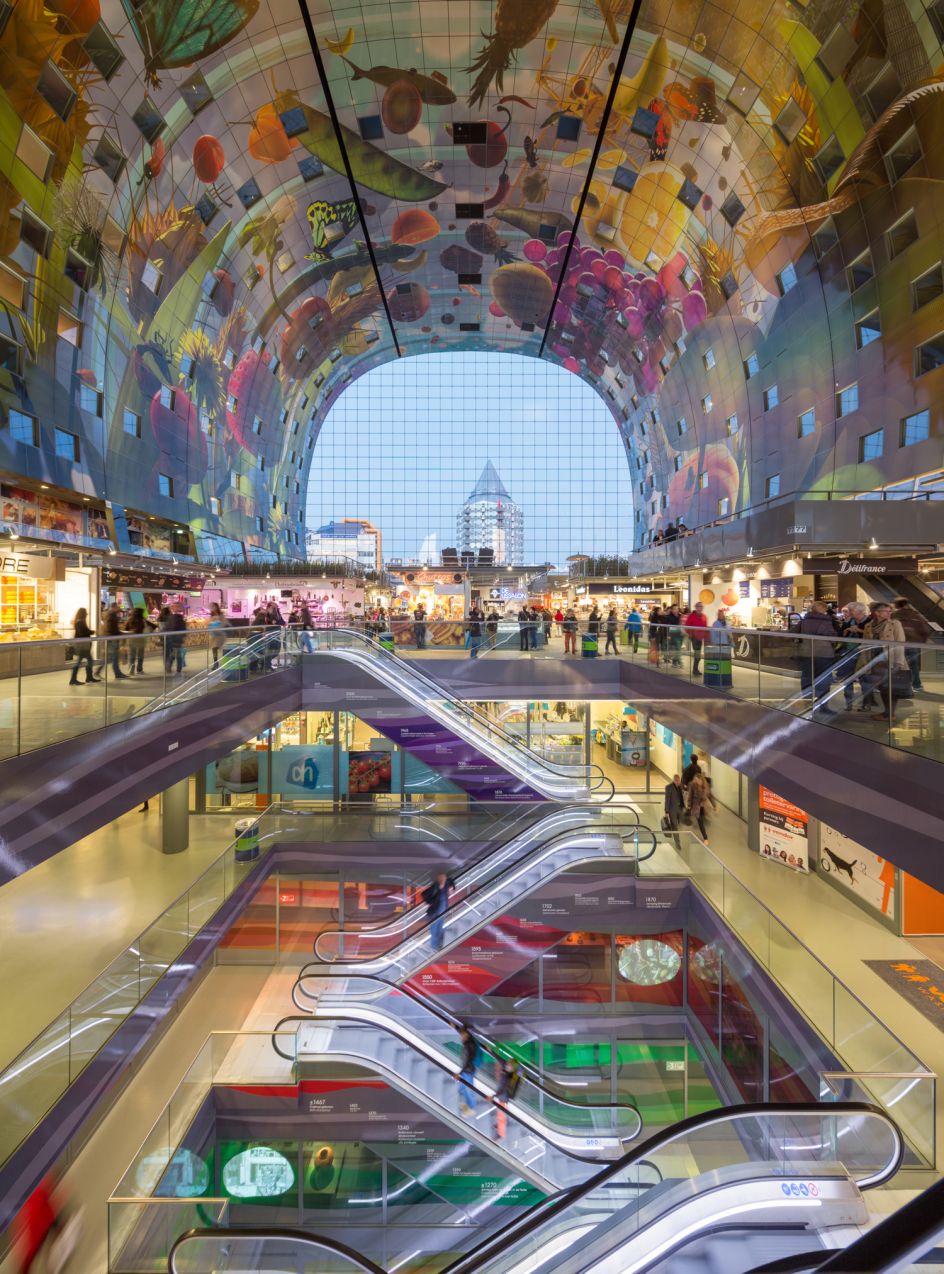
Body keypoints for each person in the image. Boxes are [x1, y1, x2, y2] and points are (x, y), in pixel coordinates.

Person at [863, 602, 910, 723]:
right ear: (877, 613)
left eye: (890, 611)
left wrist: (898, 663)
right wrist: (865, 662)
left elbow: (900, 643)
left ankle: (890, 714)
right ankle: (887, 712)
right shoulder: (869, 626)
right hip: (875, 660)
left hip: (890, 660)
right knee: (882, 687)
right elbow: (865, 645)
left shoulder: (894, 624)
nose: (889, 613)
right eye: (886, 611)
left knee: (891, 687)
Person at [796, 600, 839, 717]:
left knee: (806, 679)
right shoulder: (826, 622)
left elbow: (793, 633)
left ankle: (807, 705)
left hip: (806, 653)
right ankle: (823, 706)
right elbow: (832, 637)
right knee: (824, 680)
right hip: (823, 654)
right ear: (824, 610)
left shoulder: (804, 621)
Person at [835, 602, 872, 710]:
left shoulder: (869, 622)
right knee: (848, 679)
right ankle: (848, 703)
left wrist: (859, 630)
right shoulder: (848, 621)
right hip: (848, 653)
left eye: (851, 611)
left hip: (864, 653)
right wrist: (845, 631)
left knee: (865, 679)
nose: (849, 613)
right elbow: (840, 635)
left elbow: (873, 636)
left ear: (859, 611)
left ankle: (866, 703)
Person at [893, 597, 930, 691]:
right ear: (906, 604)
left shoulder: (894, 615)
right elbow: (925, 630)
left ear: (896, 605)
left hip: (898, 644)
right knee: (914, 665)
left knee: (898, 664)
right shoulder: (916, 615)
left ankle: (901, 685)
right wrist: (921, 642)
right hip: (914, 644)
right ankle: (917, 685)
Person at [423, 870, 456, 951]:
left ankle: (438, 945)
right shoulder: (435, 886)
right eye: (441, 879)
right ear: (438, 879)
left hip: (443, 910)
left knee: (440, 929)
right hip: (435, 912)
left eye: (443, 878)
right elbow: (424, 894)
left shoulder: (447, 883)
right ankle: (434, 946)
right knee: (434, 930)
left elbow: (452, 881)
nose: (442, 880)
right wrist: (430, 902)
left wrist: (452, 887)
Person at [455, 1024, 481, 1115]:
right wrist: (455, 1027)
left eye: (462, 1035)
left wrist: (460, 1073)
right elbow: (463, 1032)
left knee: (468, 1089)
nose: (461, 1037)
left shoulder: (469, 1045)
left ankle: (471, 1108)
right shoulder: (468, 1042)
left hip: (468, 1070)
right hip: (467, 1070)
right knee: (462, 1088)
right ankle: (468, 1105)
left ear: (467, 1035)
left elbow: (467, 1061)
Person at [493, 1057, 521, 1139]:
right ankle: (499, 1125)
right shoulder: (507, 1071)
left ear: (512, 1068)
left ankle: (501, 1134)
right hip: (502, 1097)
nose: (507, 1065)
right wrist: (491, 1051)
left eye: (509, 1065)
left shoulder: (509, 1077)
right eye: (508, 1063)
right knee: (500, 1114)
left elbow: (502, 1090)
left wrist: (493, 1096)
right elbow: (501, 1061)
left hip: (503, 1098)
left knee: (501, 1116)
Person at [68, 608, 97, 685]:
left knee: (85, 661)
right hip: (82, 645)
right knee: (84, 661)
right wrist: (92, 632)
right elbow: (83, 632)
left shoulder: (79, 622)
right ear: (83, 614)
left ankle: (87, 677)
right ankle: (77, 679)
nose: (87, 614)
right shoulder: (80, 622)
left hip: (82, 645)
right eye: (85, 613)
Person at [100, 601, 128, 680]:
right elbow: (112, 629)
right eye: (118, 607)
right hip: (112, 639)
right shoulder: (111, 616)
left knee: (110, 658)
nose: (119, 609)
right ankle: (117, 673)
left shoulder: (109, 615)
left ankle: (117, 673)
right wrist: (121, 633)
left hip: (110, 638)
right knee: (113, 657)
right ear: (114, 607)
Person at [688, 770, 717, 844]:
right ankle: (705, 838)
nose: (697, 782)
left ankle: (703, 836)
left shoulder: (706, 786)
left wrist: (714, 806)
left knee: (702, 821)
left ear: (701, 780)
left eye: (698, 780)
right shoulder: (692, 785)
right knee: (700, 821)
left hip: (703, 807)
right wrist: (689, 805)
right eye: (696, 780)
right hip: (696, 806)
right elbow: (690, 796)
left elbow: (710, 796)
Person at [124, 606, 153, 675]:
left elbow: (126, 629)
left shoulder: (130, 620)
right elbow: (153, 626)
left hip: (131, 639)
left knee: (132, 655)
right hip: (141, 639)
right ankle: (139, 669)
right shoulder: (143, 620)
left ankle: (131, 669)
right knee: (140, 655)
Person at [683, 602, 709, 676]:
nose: (700, 608)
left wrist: (705, 636)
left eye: (701, 606)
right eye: (699, 606)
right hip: (694, 638)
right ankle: (695, 669)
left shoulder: (704, 616)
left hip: (700, 638)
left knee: (698, 654)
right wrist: (691, 635)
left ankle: (695, 669)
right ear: (696, 607)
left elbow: (705, 627)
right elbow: (687, 627)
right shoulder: (691, 616)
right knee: (697, 653)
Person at [663, 773, 685, 851]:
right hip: (672, 810)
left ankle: (676, 835)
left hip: (679, 809)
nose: (677, 782)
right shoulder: (669, 787)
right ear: (674, 780)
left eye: (678, 781)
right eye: (676, 781)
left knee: (678, 824)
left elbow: (682, 797)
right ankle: (677, 843)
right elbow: (667, 799)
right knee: (675, 826)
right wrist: (666, 811)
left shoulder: (680, 787)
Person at [164, 608, 187, 675]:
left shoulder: (170, 619)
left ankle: (169, 666)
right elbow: (184, 630)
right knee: (178, 655)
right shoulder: (181, 620)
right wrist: (183, 637)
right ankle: (178, 669)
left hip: (172, 638)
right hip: (178, 639)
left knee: (174, 653)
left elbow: (167, 628)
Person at [207, 603, 226, 668]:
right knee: (214, 648)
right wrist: (210, 625)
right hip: (213, 635)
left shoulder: (221, 614)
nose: (212, 608)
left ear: (217, 607)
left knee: (220, 648)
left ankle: (224, 661)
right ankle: (216, 662)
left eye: (214, 607)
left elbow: (223, 622)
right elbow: (209, 622)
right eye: (211, 607)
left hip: (219, 634)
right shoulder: (211, 615)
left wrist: (218, 627)